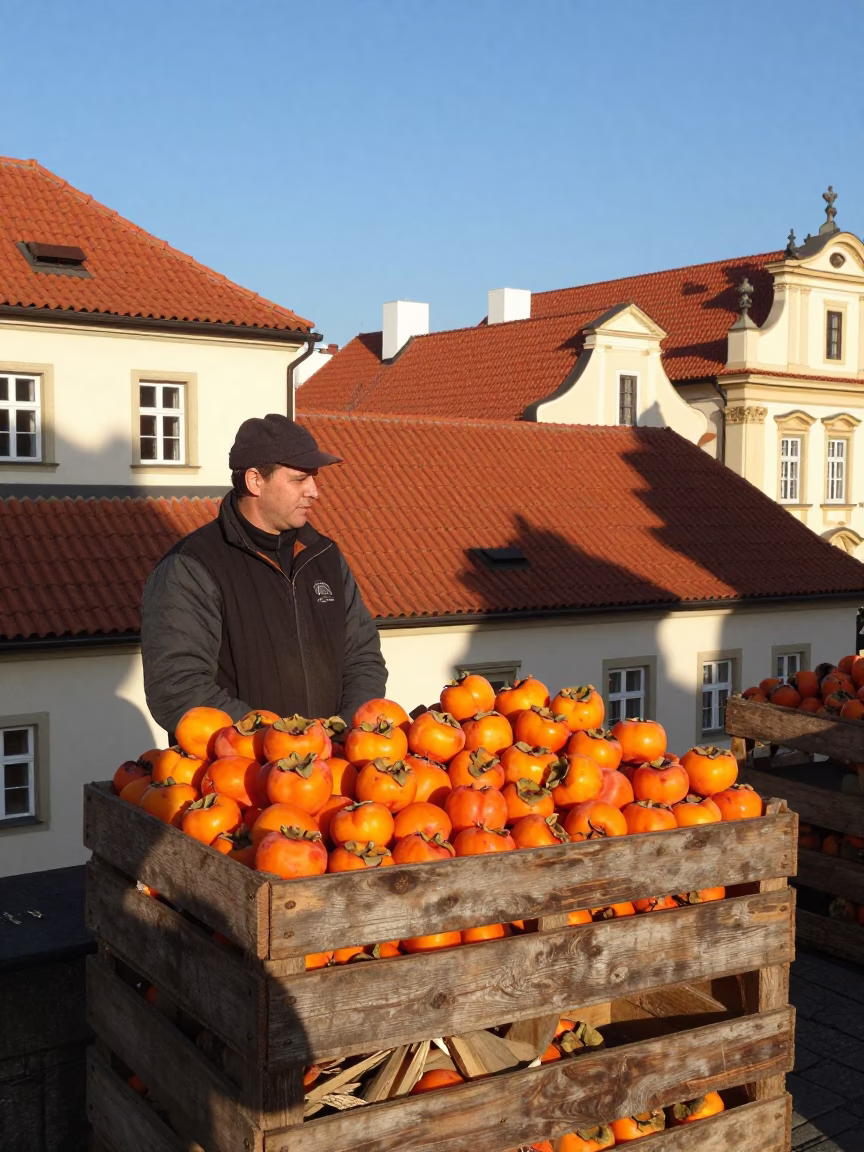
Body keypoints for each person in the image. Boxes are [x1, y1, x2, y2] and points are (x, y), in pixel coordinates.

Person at [141, 414, 387, 737]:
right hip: (232, 780)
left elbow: (363, 658)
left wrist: (342, 733)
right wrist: (280, 740)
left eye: (313, 478)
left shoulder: (325, 556)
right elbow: (177, 689)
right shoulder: (192, 567)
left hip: (328, 774)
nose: (314, 491)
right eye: (300, 479)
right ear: (255, 481)